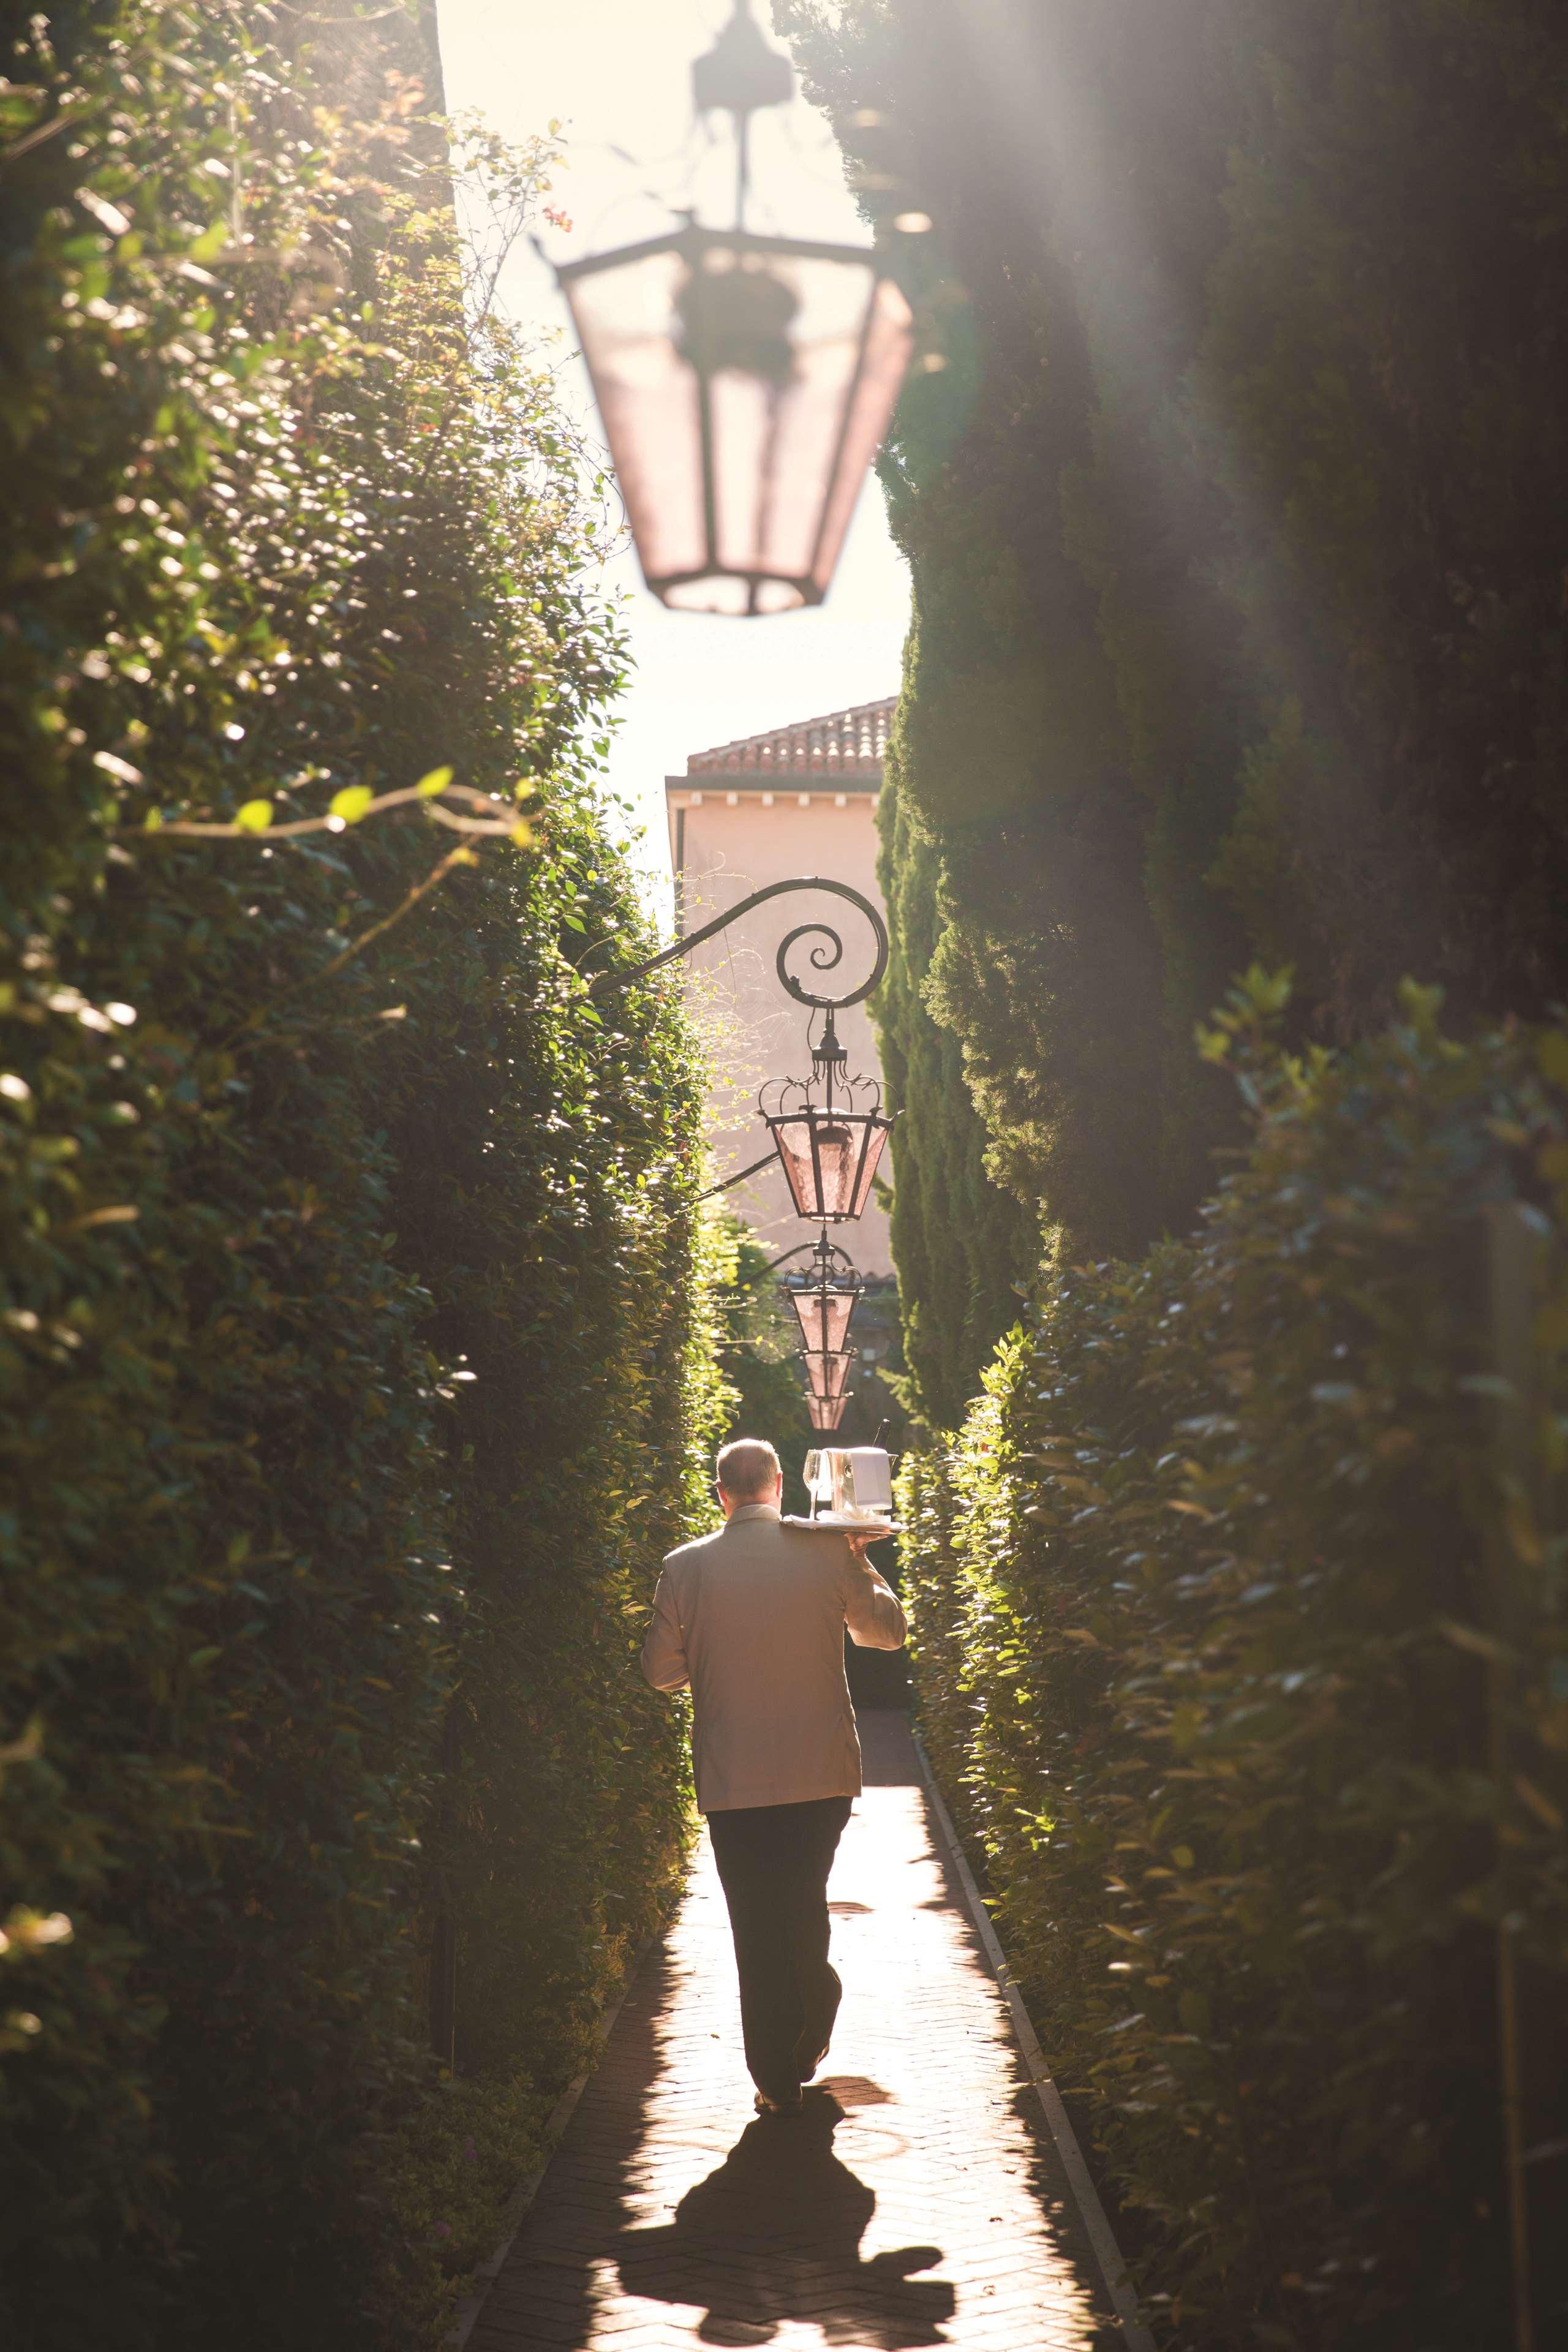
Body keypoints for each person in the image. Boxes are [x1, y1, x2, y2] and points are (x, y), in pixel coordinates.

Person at [641, 1436, 907, 2116]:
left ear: (720, 1493)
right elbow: (885, 1635)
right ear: (781, 1485)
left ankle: (775, 2075)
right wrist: (863, 1559)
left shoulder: (683, 1567)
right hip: (820, 1773)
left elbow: (659, 1674)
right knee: (802, 1900)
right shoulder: (825, 1552)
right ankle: (813, 2007)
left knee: (753, 1922)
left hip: (734, 1779)